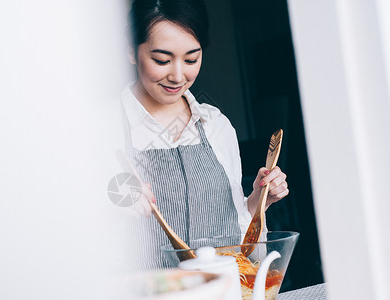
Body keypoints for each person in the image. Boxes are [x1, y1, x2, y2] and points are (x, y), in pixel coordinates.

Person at [120, 0, 289, 269]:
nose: (177, 75)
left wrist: (257, 203)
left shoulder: (216, 125)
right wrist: (110, 208)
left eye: (191, 59)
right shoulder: (101, 130)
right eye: (162, 60)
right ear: (131, 50)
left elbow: (240, 242)